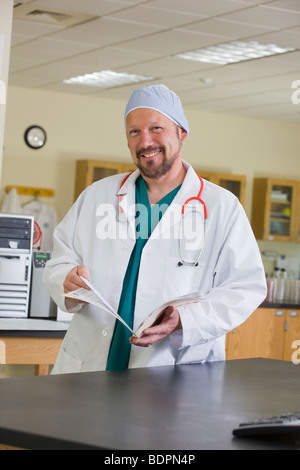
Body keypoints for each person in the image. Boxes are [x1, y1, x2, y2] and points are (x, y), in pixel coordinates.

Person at [43, 84, 267, 374]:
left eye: (156, 128)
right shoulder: (98, 196)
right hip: (90, 363)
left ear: (181, 133)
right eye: (134, 132)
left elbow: (245, 287)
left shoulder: (222, 207)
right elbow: (60, 259)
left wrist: (186, 319)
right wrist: (66, 281)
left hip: (174, 367)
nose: (145, 141)